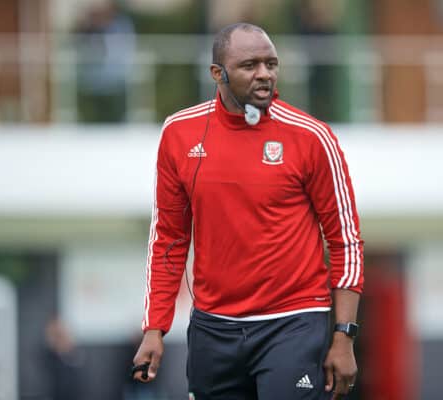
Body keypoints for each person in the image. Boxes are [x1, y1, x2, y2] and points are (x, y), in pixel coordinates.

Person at [132, 22, 364, 399]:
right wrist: (155, 328)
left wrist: (344, 336)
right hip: (213, 328)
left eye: (271, 64)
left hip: (292, 323)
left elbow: (346, 241)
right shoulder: (179, 134)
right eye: (250, 65)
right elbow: (170, 240)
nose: (264, 74)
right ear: (217, 74)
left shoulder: (311, 137)